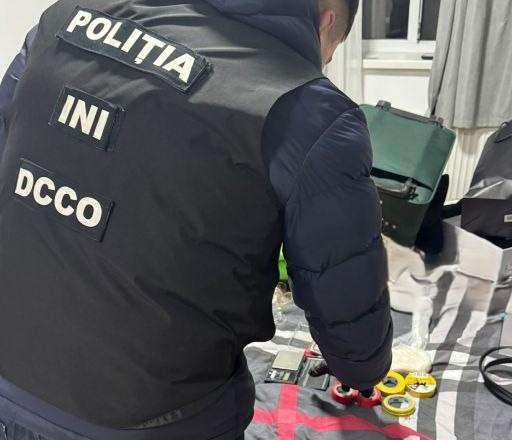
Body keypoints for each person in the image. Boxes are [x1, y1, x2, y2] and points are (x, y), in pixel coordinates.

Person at [0, 0, 392, 439]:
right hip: (155, 418)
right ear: (326, 20)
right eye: (330, 52)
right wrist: (366, 370)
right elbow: (355, 340)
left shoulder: (62, 18)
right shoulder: (308, 108)